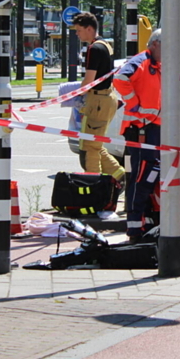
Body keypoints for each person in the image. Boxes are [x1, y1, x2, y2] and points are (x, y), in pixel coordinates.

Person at [72, 12, 124, 217]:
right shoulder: (106, 45)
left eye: (78, 30)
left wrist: (74, 95)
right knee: (95, 144)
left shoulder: (94, 48)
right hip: (106, 98)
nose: (77, 34)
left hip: (98, 100)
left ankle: (92, 190)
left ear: (89, 28)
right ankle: (119, 175)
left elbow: (89, 79)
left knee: (90, 147)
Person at [113, 29, 163, 241]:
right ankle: (134, 227)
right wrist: (134, 105)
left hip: (152, 128)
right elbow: (120, 77)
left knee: (150, 175)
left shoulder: (158, 65)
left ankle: (144, 221)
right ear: (155, 44)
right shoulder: (141, 61)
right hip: (140, 129)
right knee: (141, 177)